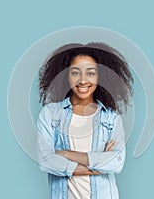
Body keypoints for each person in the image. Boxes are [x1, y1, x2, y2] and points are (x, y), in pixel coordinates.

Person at [36, 42, 133, 199]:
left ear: (99, 76)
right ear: (66, 75)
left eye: (90, 73)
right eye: (75, 73)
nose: (83, 80)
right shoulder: (50, 114)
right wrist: (99, 165)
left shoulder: (111, 118)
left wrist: (65, 154)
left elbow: (117, 162)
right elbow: (46, 160)